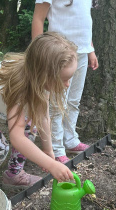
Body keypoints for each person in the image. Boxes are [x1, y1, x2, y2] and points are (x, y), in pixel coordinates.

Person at [0, 32, 76, 188]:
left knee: (31, 124)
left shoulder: (39, 79)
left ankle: (14, 174)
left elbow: (43, 116)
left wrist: (48, 152)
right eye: (64, 79)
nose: (67, 84)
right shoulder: (19, 86)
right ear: (43, 75)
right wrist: (52, 166)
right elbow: (16, 137)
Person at [32, 0, 99, 164]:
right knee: (56, 104)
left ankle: (70, 140)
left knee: (73, 101)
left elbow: (84, 21)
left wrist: (91, 50)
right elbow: (38, 19)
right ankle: (56, 148)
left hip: (81, 53)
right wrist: (39, 54)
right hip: (58, 56)